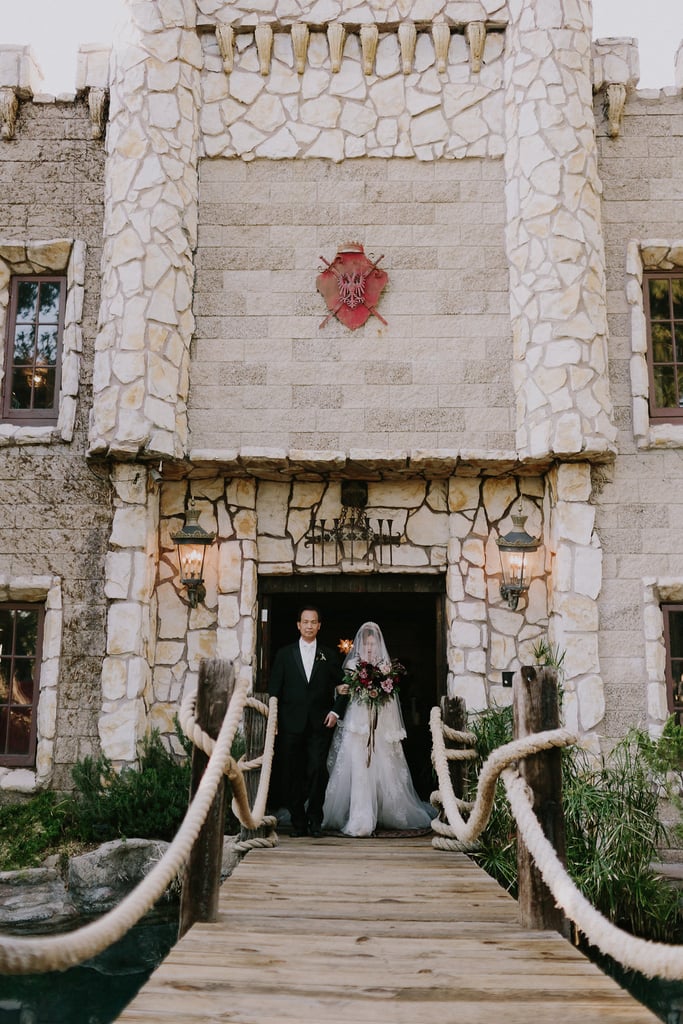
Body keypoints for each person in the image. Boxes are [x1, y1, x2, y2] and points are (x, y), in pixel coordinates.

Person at [322, 621, 436, 837]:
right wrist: (340, 691)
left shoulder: (386, 668)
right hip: (358, 725)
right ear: (361, 645)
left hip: (379, 724)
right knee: (358, 769)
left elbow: (391, 698)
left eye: (374, 644)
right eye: (367, 644)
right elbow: (344, 692)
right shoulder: (352, 665)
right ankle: (360, 817)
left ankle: (385, 813)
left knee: (383, 768)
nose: (371, 648)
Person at [269, 606, 345, 837]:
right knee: (292, 773)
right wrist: (274, 722)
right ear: (298, 625)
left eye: (314, 622)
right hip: (290, 723)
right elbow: (274, 690)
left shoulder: (329, 655)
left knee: (317, 771)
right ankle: (298, 821)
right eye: (305, 622)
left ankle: (315, 819)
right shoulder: (284, 654)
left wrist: (335, 713)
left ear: (319, 626)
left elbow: (345, 687)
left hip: (319, 724)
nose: (309, 626)